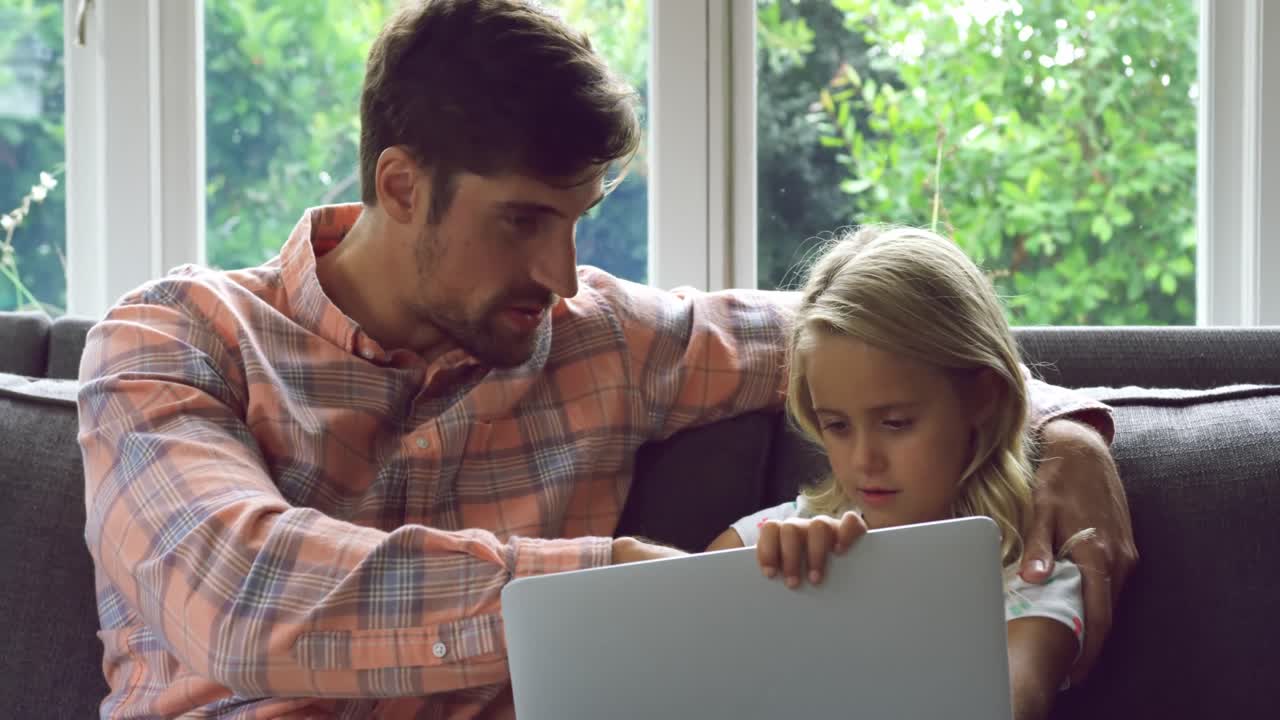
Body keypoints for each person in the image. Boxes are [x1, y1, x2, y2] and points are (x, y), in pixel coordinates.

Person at [76, 1, 1134, 718]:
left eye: (576, 219)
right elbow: (243, 596)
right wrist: (607, 581)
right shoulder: (174, 341)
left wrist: (1065, 430)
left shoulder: (600, 340)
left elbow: (890, 340)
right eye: (523, 220)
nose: (564, 273)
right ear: (401, 188)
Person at [706, 226, 1101, 719]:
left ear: (982, 398)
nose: (863, 460)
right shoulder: (767, 542)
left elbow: (1012, 705)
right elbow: (673, 666)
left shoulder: (1028, 581)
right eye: (837, 426)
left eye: (896, 423)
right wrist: (766, 595)